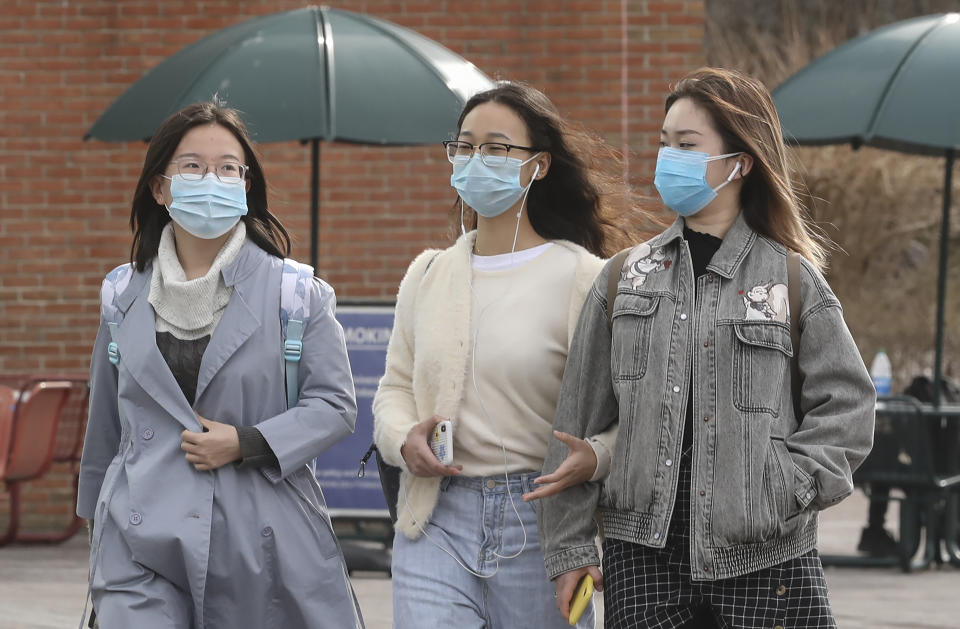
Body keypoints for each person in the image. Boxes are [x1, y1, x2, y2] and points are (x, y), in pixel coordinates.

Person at [538, 67, 876, 628]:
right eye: (665, 143)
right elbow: (575, 425)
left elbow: (849, 406)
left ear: (739, 164)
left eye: (687, 145)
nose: (669, 156)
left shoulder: (792, 280)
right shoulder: (624, 278)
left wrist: (787, 488)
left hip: (767, 557)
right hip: (642, 556)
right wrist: (570, 549)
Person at [77, 102, 363, 628]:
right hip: (139, 541)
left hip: (258, 535)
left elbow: (334, 405)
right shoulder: (121, 294)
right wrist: (97, 523)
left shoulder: (295, 292)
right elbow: (107, 424)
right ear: (160, 188)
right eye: (192, 166)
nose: (212, 179)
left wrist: (247, 441)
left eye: (228, 168)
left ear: (246, 185)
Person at [373, 81, 638, 628]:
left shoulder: (586, 279)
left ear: (539, 165)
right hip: (435, 514)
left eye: (496, 148)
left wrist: (598, 456)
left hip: (543, 520)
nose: (476, 161)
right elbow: (393, 391)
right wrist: (404, 439)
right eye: (465, 146)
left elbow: (630, 413)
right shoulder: (427, 274)